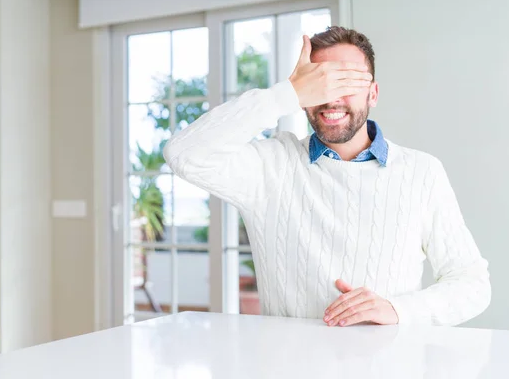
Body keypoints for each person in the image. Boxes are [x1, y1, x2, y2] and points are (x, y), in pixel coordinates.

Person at [163, 26, 491, 326]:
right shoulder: (270, 166)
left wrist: (396, 309)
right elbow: (183, 153)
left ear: (373, 93)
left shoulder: (422, 173)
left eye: (347, 82)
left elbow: (472, 283)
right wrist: (286, 94)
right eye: (321, 83)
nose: (332, 98)